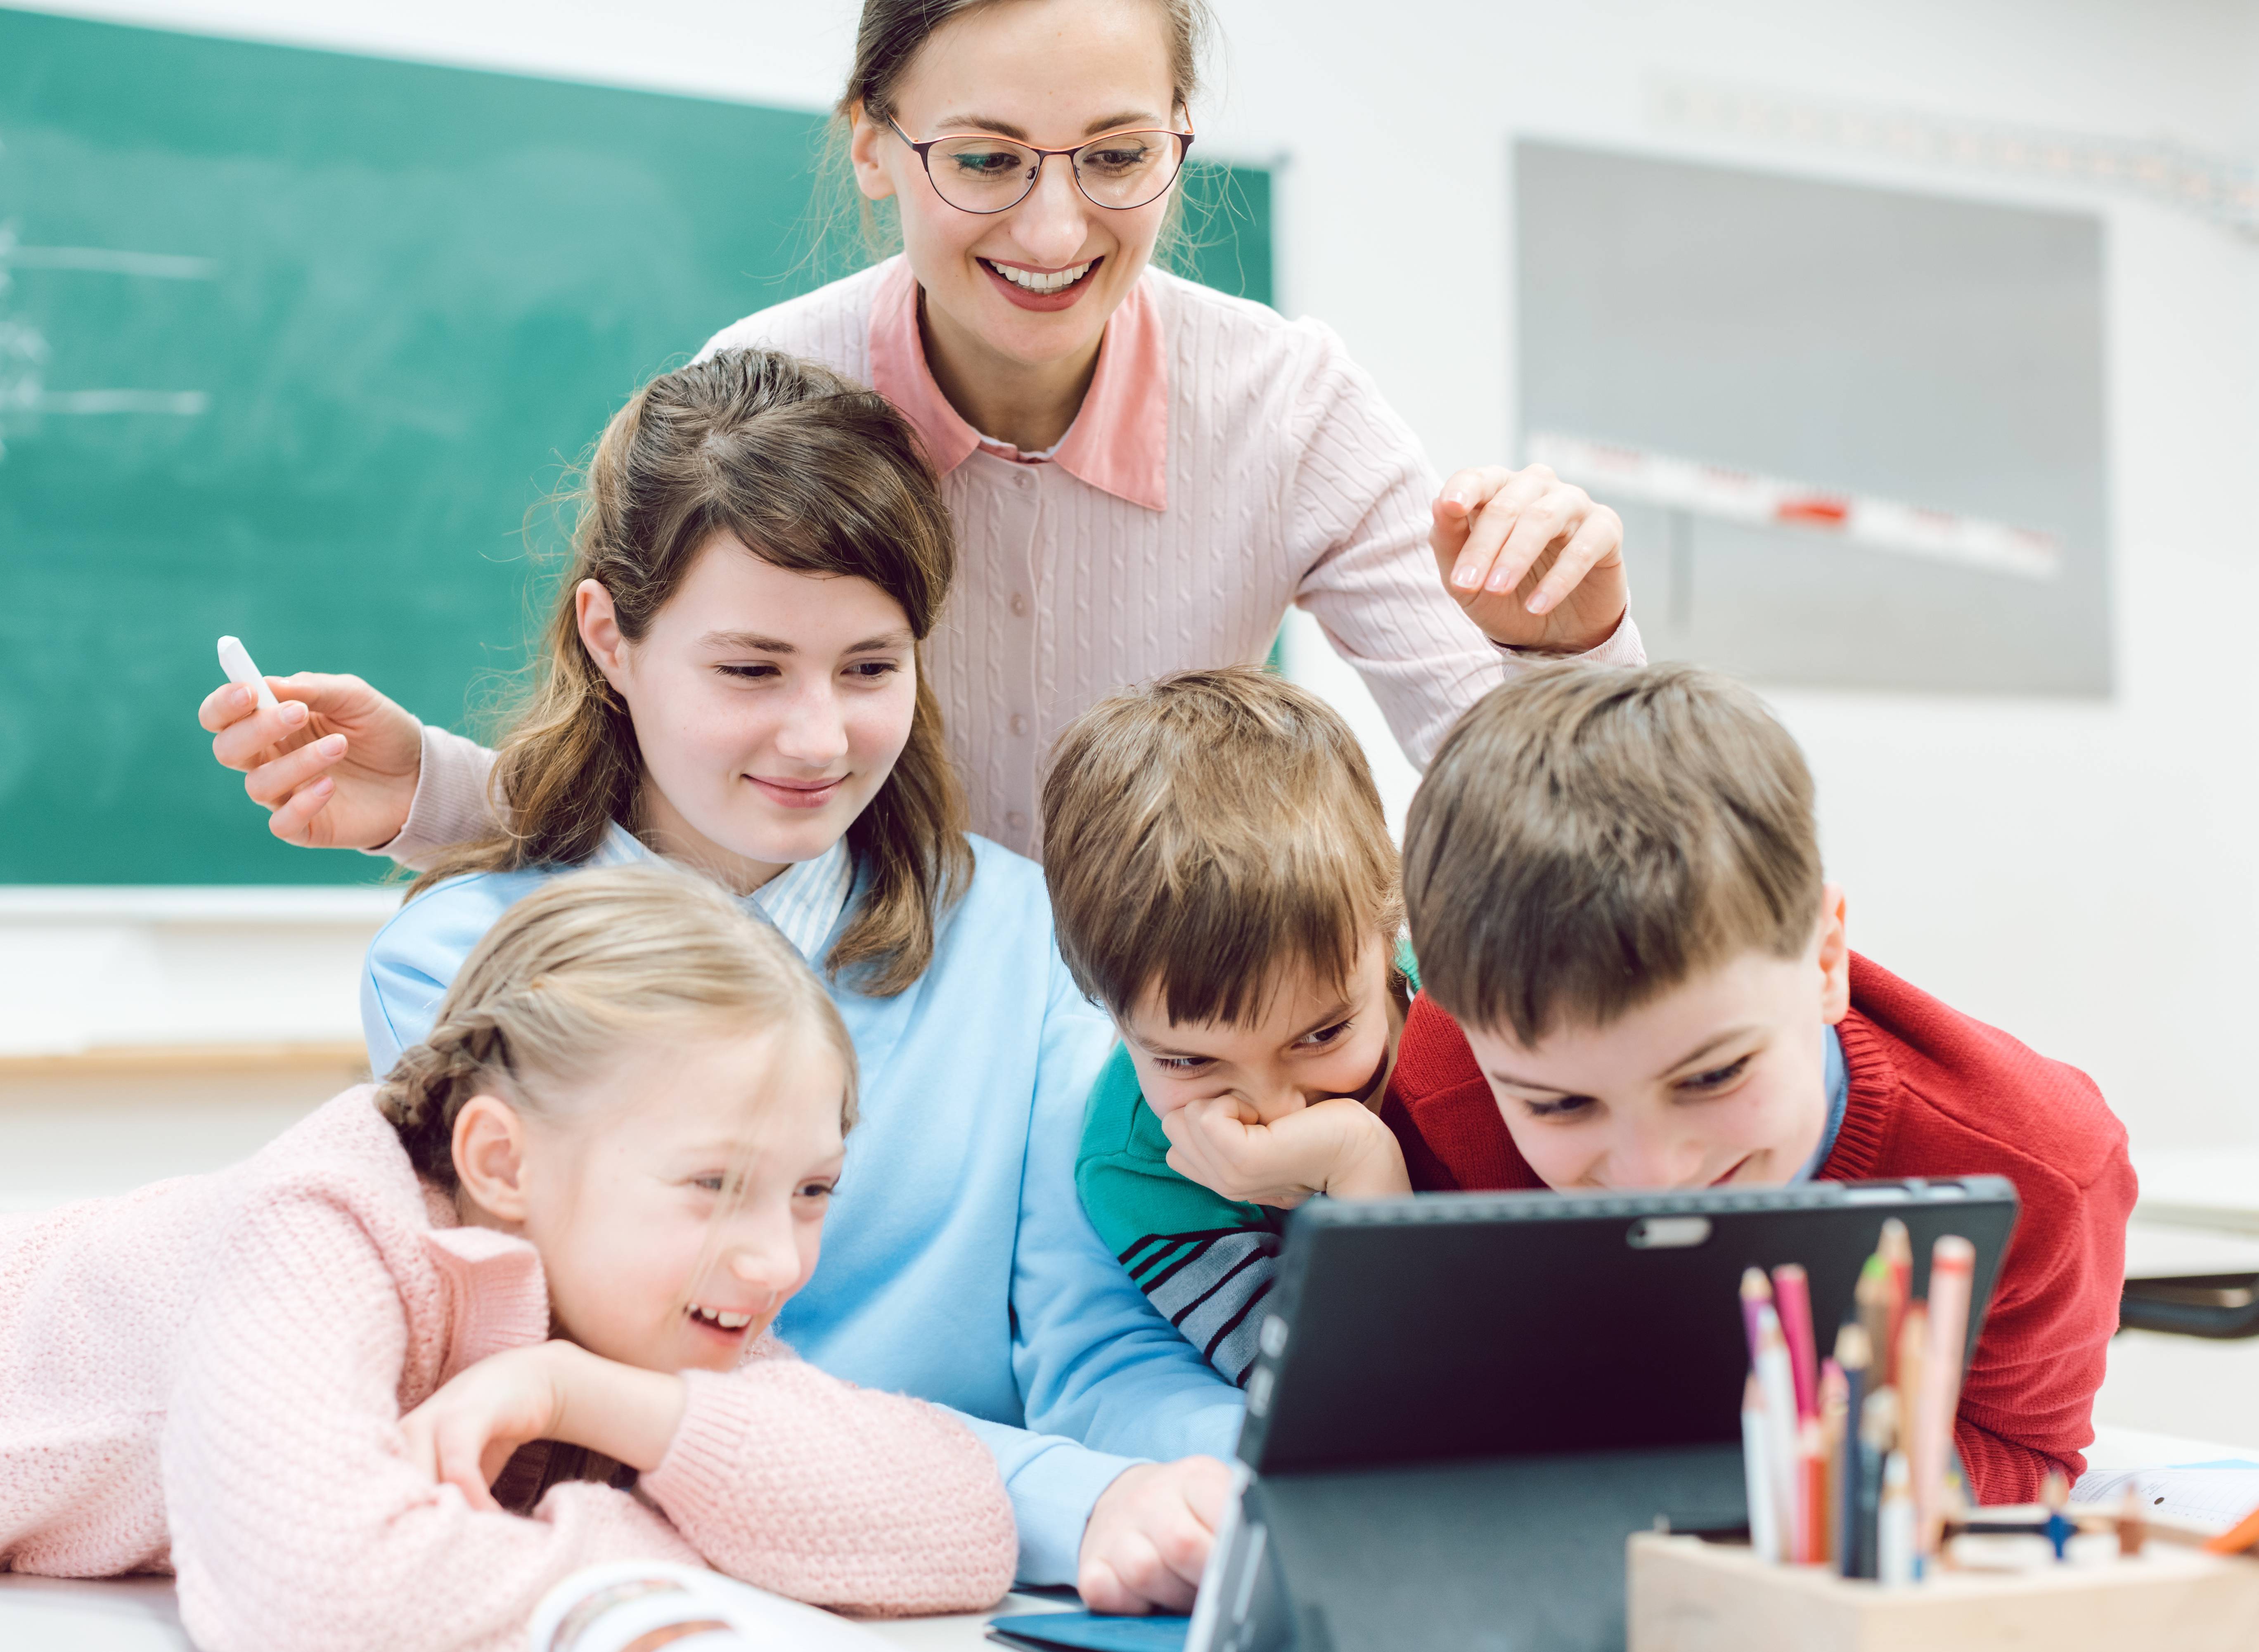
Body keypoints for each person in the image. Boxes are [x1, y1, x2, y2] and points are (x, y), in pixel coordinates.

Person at [197, 0, 1642, 862]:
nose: (1058, 225)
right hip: (845, 1065)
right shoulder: (761, 393)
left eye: (1120, 156)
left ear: (1180, 140)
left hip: (1169, 1068)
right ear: (875, 144)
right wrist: (437, 794)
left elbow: (1555, 806)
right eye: (988, 159)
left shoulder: (1285, 404)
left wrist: (1573, 650)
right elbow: (677, 762)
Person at [361, 350, 1237, 1615]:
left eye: (871, 668)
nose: (821, 738)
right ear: (614, 640)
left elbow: (1092, 1344)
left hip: (975, 1605)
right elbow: (636, 1403)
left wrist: (1258, 1466)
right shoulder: (463, 968)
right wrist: (1074, 1499)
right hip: (661, 1595)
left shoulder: (1019, 931)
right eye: (752, 670)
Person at [0, 866, 1019, 1648]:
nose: (772, 1260)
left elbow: (959, 1524)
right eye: (712, 1187)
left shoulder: (639, 1307)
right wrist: (665, 1540)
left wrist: (587, 1399)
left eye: (811, 1192)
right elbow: (322, 1600)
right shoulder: (326, 1220)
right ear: (502, 1161)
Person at [1383, 664, 2134, 1505]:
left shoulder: (2040, 1175)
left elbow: (2024, 1453)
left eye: (1711, 1076)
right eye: (1557, 1104)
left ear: (1824, 959)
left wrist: (1770, 1480)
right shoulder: (1445, 1084)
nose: (1652, 1175)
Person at [1047, 669, 1416, 1385]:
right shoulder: (1139, 1169)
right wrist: (1362, 1166)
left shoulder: (1479, 1012)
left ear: (1390, 928)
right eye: (1190, 1062)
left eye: (1321, 1034)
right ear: (1114, 1017)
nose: (1275, 1111)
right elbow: (1357, 1395)